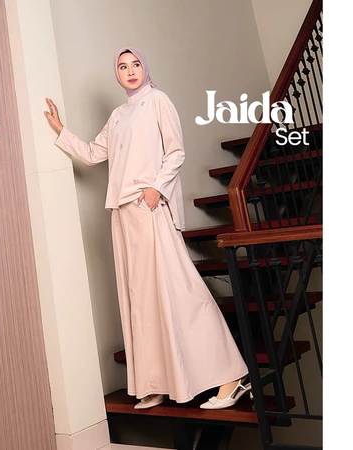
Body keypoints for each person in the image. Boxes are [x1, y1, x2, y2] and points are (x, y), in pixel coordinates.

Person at [44, 46, 251, 410]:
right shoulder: (118, 115)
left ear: (144, 67)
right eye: (123, 66)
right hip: (122, 214)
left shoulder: (158, 100)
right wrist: (61, 129)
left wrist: (156, 188)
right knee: (141, 300)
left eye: (135, 64)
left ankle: (231, 375)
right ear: (117, 74)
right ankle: (157, 382)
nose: (130, 70)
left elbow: (176, 151)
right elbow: (93, 153)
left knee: (181, 289)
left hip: (149, 206)